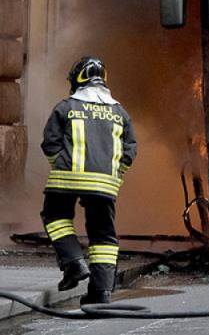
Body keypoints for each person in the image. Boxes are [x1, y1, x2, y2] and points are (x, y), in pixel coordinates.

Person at [41, 57, 137, 305]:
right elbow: (129, 150)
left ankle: (74, 262)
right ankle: (101, 292)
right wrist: (116, 176)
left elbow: (50, 142)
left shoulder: (66, 107)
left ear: (77, 79)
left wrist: (62, 166)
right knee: (103, 235)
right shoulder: (120, 111)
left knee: (55, 216)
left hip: (67, 178)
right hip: (105, 183)